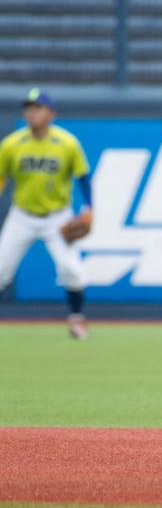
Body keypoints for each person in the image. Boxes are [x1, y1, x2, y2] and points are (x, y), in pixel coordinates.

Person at [0, 88, 93, 339]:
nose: (31, 113)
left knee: (71, 269)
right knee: (0, 270)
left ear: (51, 113)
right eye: (28, 108)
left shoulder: (67, 143)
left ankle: (77, 319)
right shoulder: (11, 144)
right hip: (22, 216)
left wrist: (89, 207)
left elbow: (83, 177)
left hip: (57, 217)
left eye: (37, 108)